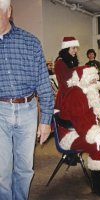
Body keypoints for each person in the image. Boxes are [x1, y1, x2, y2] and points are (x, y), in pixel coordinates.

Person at [0, 1, 54, 199]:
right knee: (1, 172)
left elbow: (43, 83)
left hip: (28, 110)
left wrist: (46, 121)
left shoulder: (30, 42)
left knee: (24, 169)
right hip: (0, 111)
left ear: (8, 12)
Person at [58, 66, 100, 200]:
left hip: (87, 129)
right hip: (72, 134)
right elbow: (79, 120)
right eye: (93, 80)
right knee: (97, 145)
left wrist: (99, 130)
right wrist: (96, 135)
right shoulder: (75, 93)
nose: (95, 83)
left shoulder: (88, 92)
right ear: (84, 80)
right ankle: (98, 186)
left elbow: (91, 117)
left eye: (96, 80)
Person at [54, 36, 80, 110]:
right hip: (65, 98)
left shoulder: (70, 61)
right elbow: (65, 83)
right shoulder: (60, 63)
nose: (76, 50)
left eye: (76, 48)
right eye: (73, 48)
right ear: (66, 48)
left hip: (72, 95)